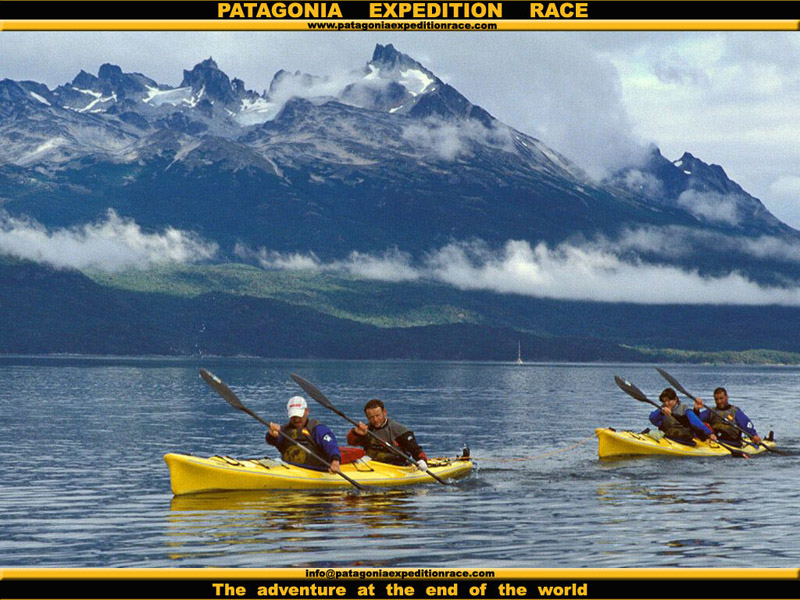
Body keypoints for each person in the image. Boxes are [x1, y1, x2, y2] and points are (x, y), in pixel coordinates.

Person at [346, 398, 429, 471]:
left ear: (384, 412)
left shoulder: (399, 430)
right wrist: (355, 433)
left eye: (377, 415)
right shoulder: (366, 430)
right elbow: (351, 442)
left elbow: (415, 449)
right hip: (371, 463)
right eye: (371, 417)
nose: (375, 420)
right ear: (367, 417)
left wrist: (422, 460)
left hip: (395, 466)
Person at [267, 395, 342, 473]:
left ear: (306, 411)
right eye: (293, 416)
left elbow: (331, 445)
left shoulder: (317, 429)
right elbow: (274, 441)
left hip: (315, 471)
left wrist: (335, 461)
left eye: (299, 415)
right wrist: (272, 435)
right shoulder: (284, 430)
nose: (296, 420)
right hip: (289, 469)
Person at [693, 387, 762, 447]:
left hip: (732, 443)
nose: (719, 402)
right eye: (716, 399)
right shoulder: (711, 412)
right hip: (716, 441)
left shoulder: (735, 412)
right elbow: (695, 420)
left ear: (727, 397)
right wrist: (696, 409)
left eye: (721, 398)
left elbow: (747, 425)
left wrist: (753, 435)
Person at [649, 387, 715, 445]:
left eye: (668, 400)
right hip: (667, 438)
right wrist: (660, 412)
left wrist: (709, 433)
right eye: (664, 401)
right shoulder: (662, 409)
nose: (666, 403)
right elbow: (652, 419)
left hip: (684, 440)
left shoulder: (684, 409)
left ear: (675, 399)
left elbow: (696, 422)